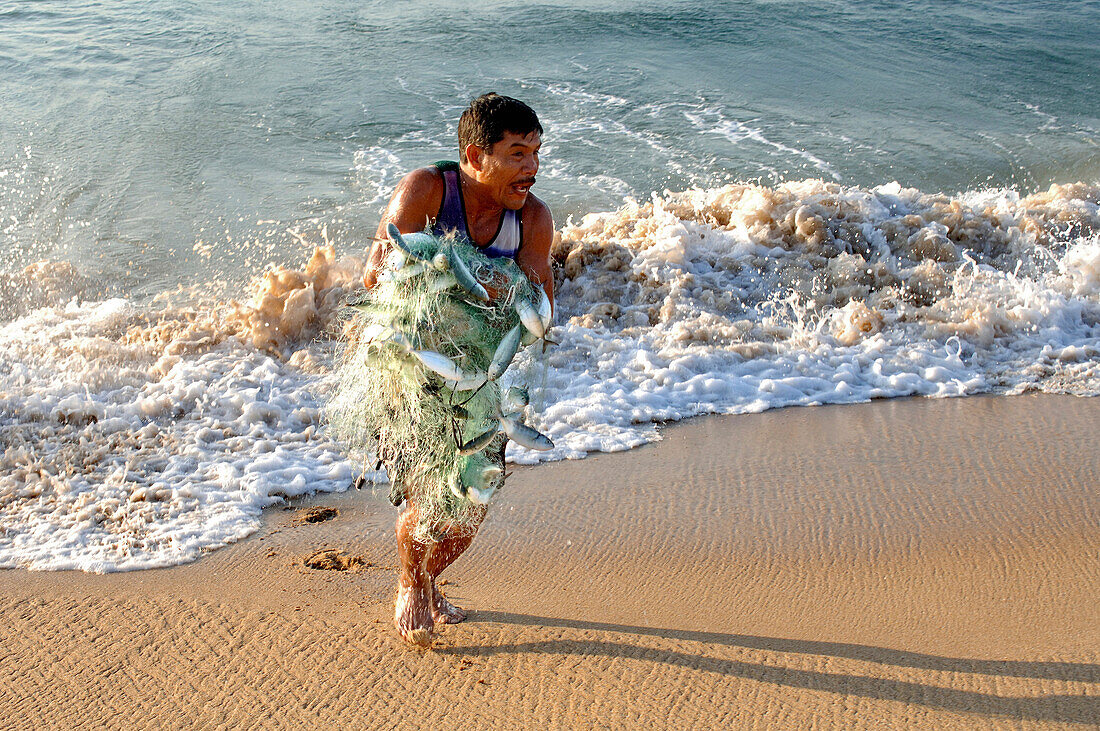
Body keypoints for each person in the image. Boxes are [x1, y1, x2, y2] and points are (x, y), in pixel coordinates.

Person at [363, 93, 554, 646]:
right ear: (475, 155)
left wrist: (518, 294)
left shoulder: (533, 219)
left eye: (536, 153)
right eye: (517, 153)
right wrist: (450, 268)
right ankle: (414, 586)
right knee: (427, 492)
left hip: (481, 380)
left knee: (474, 497)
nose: (531, 168)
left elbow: (541, 300)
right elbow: (376, 272)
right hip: (410, 368)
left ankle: (422, 576)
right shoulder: (428, 189)